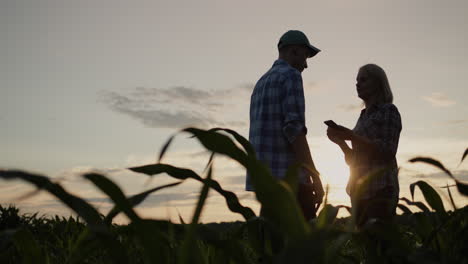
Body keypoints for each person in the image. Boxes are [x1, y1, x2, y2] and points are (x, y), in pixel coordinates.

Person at [246, 30, 324, 221]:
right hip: (291, 182)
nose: (306, 65)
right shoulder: (291, 76)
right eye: (305, 57)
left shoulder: (261, 83)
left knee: (274, 247)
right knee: (307, 246)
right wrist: (315, 175)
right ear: (295, 51)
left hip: (267, 185)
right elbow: (294, 131)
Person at [326, 64, 402, 227]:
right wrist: (340, 142)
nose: (358, 84)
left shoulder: (388, 111)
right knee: (366, 248)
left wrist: (352, 136)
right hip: (359, 193)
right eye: (357, 80)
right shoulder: (363, 116)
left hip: (380, 191)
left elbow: (388, 151)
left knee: (380, 246)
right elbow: (354, 160)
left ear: (377, 83)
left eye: (363, 79)